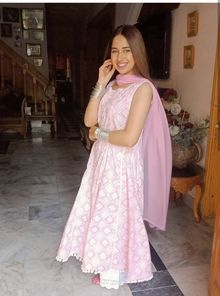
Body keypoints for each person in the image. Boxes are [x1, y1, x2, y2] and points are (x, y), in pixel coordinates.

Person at [56, 24, 172, 289]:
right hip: (100, 162)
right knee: (100, 212)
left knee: (118, 215)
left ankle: (116, 270)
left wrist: (100, 134)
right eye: (116, 50)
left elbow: (129, 137)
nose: (120, 57)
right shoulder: (111, 87)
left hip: (122, 165)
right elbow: (88, 119)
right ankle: (105, 261)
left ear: (138, 53)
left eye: (127, 50)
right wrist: (99, 83)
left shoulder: (142, 89)